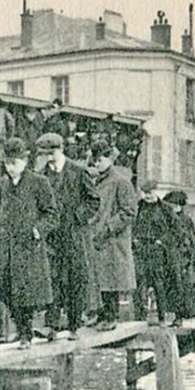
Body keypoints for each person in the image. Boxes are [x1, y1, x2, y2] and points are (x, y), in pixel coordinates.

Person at [0, 137, 57, 349]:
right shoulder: (3, 184)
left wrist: (37, 230)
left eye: (14, 163)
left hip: (27, 248)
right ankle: (20, 328)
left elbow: (51, 214)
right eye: (7, 163)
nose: (10, 168)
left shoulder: (39, 183)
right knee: (6, 290)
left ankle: (25, 333)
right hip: (6, 247)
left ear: (24, 161)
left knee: (26, 293)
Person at [36, 132, 99, 338]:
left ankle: (73, 324)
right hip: (52, 235)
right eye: (44, 154)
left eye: (50, 153)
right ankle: (51, 325)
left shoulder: (78, 172)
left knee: (75, 278)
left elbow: (93, 201)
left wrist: (78, 216)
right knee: (52, 277)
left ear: (60, 149)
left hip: (74, 234)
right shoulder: (41, 175)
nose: (47, 157)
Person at [86, 139, 137, 330]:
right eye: (94, 161)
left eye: (99, 160)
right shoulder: (98, 182)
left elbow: (129, 212)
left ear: (109, 158)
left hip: (113, 240)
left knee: (111, 280)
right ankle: (101, 315)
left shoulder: (121, 181)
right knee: (100, 280)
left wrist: (108, 228)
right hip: (98, 239)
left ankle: (111, 316)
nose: (96, 164)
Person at [132, 179, 176, 325]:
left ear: (156, 191)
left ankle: (162, 317)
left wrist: (161, 242)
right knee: (139, 283)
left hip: (157, 251)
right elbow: (132, 225)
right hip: (140, 249)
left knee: (158, 284)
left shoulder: (165, 209)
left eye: (150, 193)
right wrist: (135, 240)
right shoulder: (138, 207)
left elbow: (174, 229)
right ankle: (140, 317)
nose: (147, 196)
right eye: (145, 193)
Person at [163, 190, 195, 322]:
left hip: (183, 261)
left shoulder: (185, 220)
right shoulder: (166, 219)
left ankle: (180, 316)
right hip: (169, 259)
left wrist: (194, 259)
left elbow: (193, 241)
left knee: (182, 288)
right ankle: (173, 316)